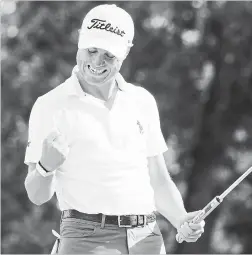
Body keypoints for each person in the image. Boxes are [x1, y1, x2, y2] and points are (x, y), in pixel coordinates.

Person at [24, 4, 205, 254]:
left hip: (147, 237)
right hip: (86, 238)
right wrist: (45, 167)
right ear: (80, 40)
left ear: (126, 52)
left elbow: (158, 180)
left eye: (109, 54)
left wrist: (181, 219)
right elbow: (36, 195)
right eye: (91, 50)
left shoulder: (142, 100)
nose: (97, 61)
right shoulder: (50, 106)